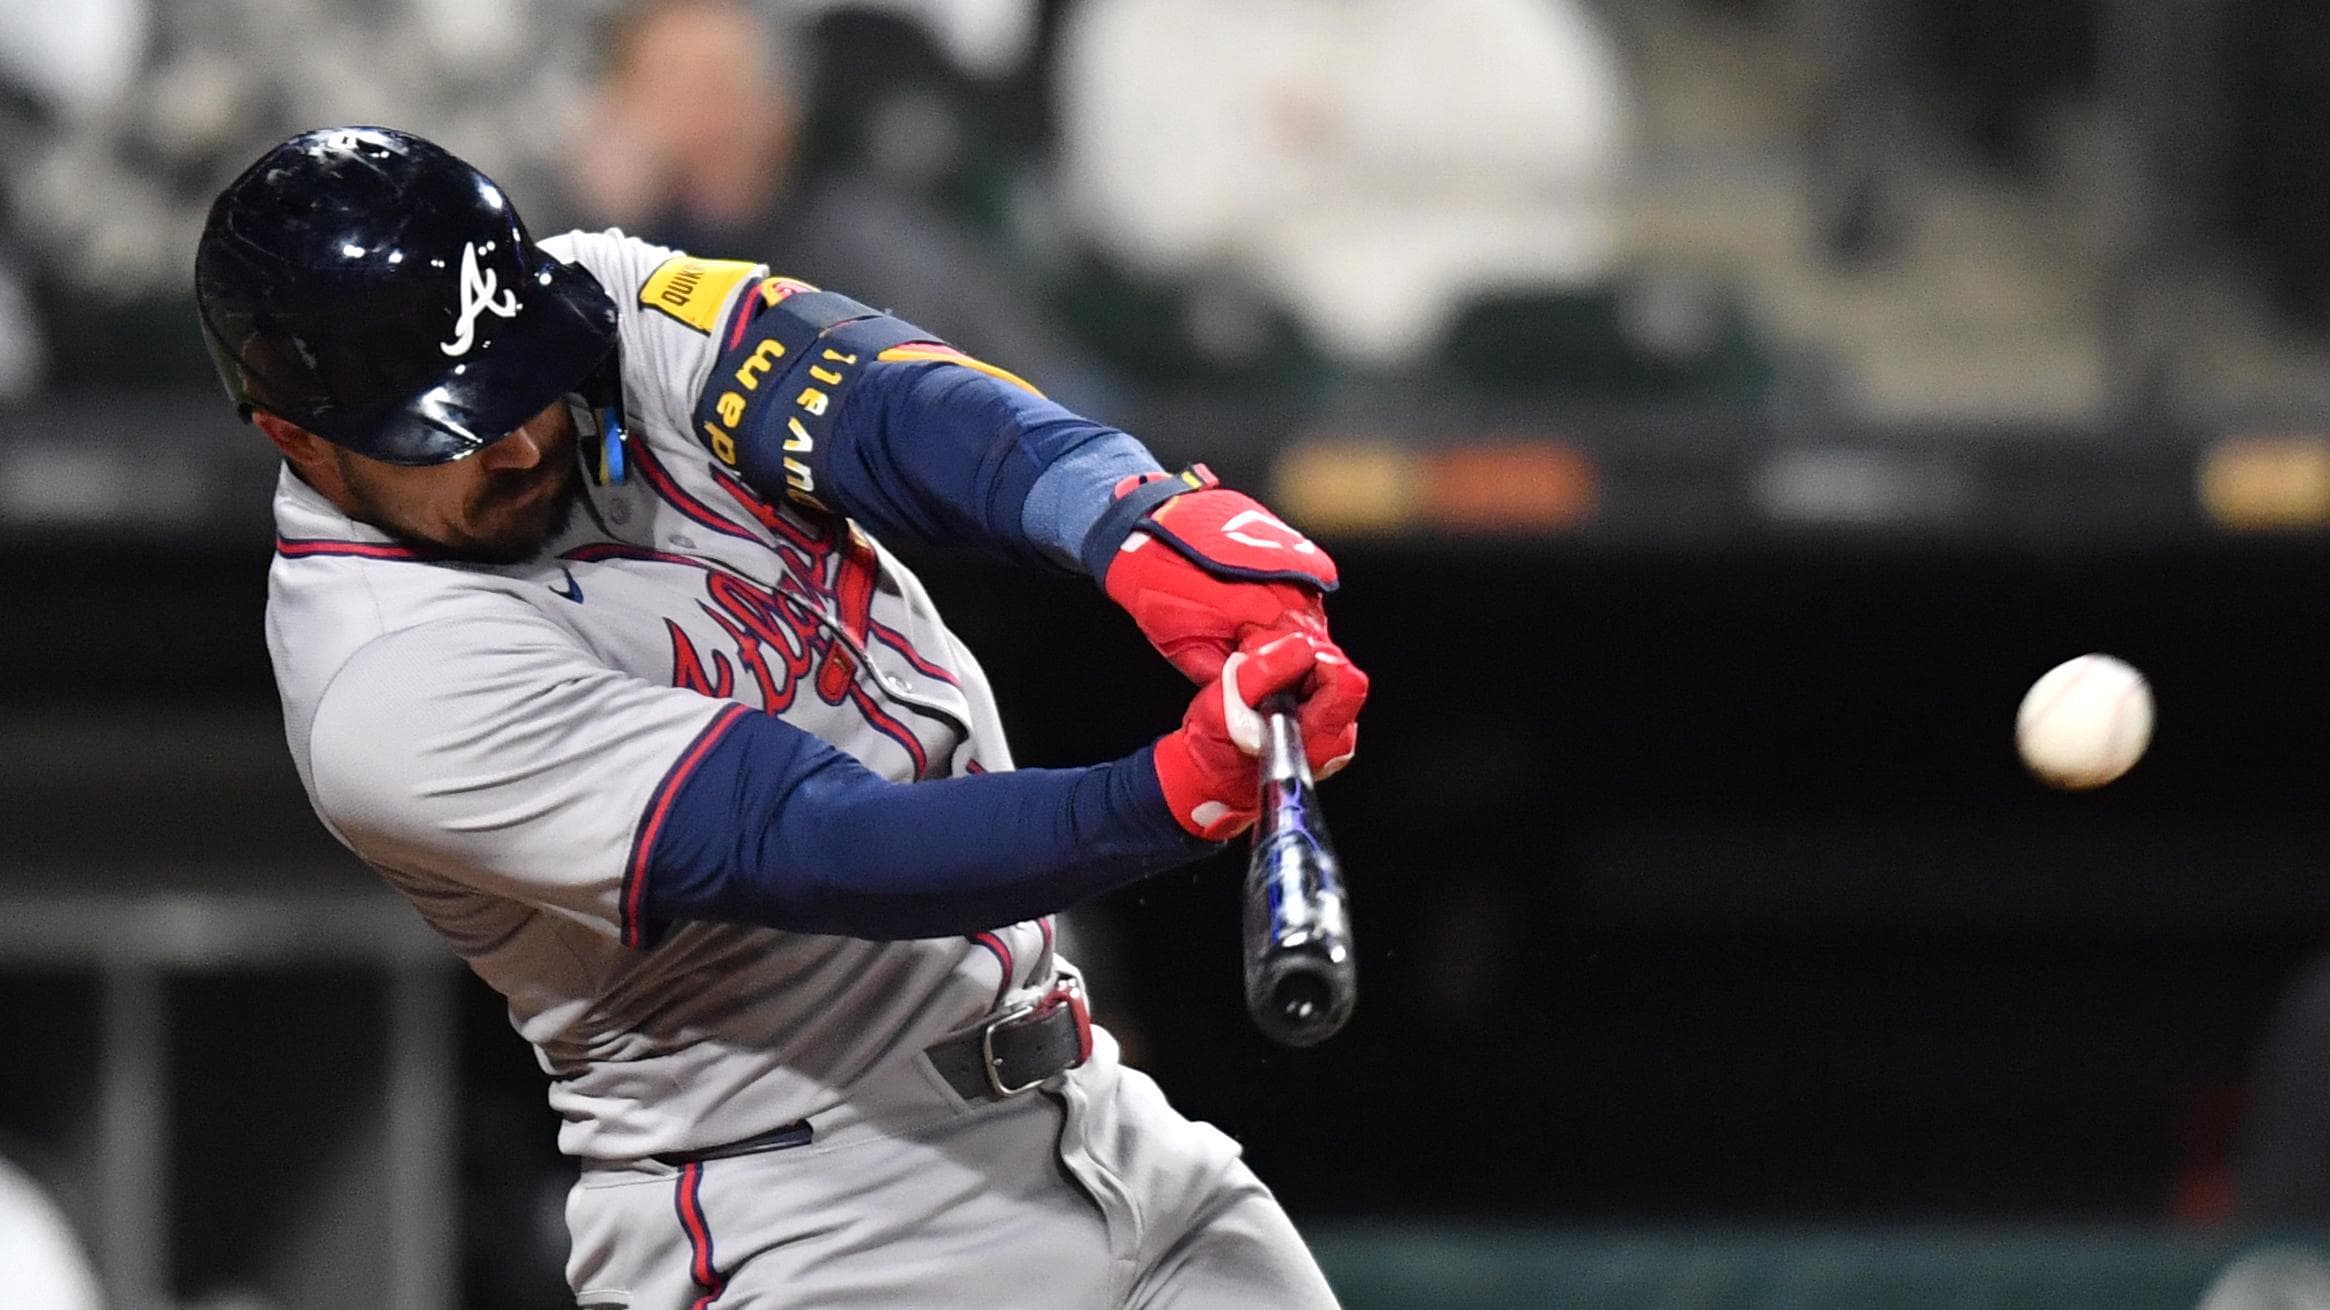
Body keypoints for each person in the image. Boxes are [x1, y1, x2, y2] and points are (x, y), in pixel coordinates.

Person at [192, 126, 1365, 1307]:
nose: (519, 437)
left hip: (1095, 1115)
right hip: (819, 1221)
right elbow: (822, 843)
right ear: (294, 436)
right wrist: (1168, 794)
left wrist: (1126, 518)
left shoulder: (592, 298)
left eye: (517, 382)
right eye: (450, 426)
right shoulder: (384, 682)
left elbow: (876, 403)